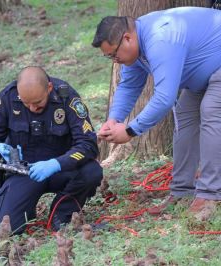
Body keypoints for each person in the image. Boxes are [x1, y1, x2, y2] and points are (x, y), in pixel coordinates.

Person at [91, 7, 221, 220]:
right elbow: (129, 86)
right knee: (186, 119)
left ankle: (211, 195)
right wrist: (113, 120)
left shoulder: (160, 39)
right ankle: (182, 191)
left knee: (212, 111)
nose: (114, 60)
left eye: (114, 54)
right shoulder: (135, 48)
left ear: (127, 38)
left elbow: (164, 98)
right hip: (205, 73)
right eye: (109, 57)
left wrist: (131, 130)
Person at [0, 66, 103, 234]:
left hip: (61, 168)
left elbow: (88, 143)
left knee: (91, 171)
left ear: (49, 88)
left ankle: (62, 215)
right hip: (25, 172)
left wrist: (56, 164)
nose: (32, 109)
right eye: (26, 103)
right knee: (1, 230)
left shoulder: (66, 97)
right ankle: (25, 209)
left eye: (37, 103)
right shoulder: (6, 99)